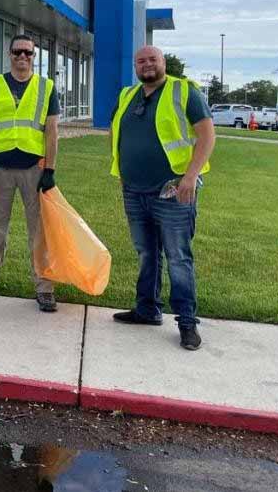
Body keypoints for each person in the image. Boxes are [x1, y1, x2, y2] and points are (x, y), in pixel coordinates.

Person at [110, 45, 215, 351]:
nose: (147, 64)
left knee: (178, 258)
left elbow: (207, 135)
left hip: (173, 190)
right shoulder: (127, 95)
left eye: (152, 59)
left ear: (163, 62)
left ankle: (187, 323)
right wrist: (124, 171)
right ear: (135, 66)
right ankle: (147, 309)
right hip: (134, 190)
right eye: (141, 61)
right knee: (147, 253)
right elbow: (117, 132)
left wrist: (191, 177)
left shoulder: (184, 92)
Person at [0, 34, 61, 312]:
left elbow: (52, 131)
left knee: (39, 229)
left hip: (34, 169)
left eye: (28, 53)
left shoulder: (46, 87)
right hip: (0, 167)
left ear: (34, 56)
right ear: (9, 54)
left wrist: (50, 169)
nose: (22, 57)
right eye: (17, 52)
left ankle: (44, 287)